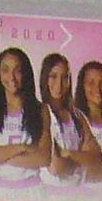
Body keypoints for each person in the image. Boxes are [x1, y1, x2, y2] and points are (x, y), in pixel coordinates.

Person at [0, 45, 45, 186]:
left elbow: (44, 158)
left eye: (18, 70)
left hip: (29, 190)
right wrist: (22, 148)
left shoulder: (40, 110)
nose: (12, 77)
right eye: (5, 70)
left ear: (25, 73)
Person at [38, 51, 87, 185]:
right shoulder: (39, 114)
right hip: (51, 192)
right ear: (45, 78)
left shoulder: (78, 116)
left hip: (78, 192)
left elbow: (96, 158)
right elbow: (56, 167)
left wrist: (69, 155)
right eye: (53, 76)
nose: (59, 84)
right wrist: (81, 160)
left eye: (65, 77)